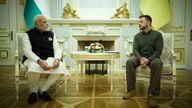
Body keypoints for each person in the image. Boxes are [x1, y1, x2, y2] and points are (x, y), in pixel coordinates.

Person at [22, 15, 70, 104]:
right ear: (36, 24)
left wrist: (57, 59)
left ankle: (43, 89)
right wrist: (39, 61)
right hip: (33, 59)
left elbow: (57, 49)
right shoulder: (27, 34)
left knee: (61, 66)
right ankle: (33, 91)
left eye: (46, 21)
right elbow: (27, 51)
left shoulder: (51, 34)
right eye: (44, 22)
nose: (47, 24)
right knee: (34, 66)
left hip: (49, 58)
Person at [123, 15, 163, 107]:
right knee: (129, 62)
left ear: (148, 22)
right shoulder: (137, 36)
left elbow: (158, 51)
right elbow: (135, 50)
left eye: (141, 21)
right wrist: (140, 58)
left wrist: (149, 59)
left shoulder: (157, 35)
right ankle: (131, 90)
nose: (139, 23)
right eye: (139, 22)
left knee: (158, 63)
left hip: (152, 58)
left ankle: (152, 94)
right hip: (140, 57)